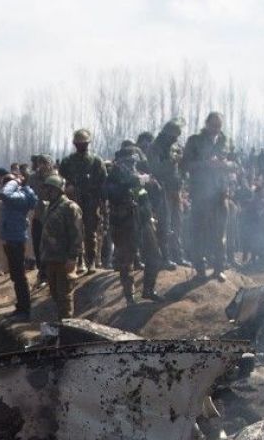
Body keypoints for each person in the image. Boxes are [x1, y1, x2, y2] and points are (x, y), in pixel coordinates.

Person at [105, 141, 162, 305]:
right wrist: (133, 181)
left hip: (142, 220)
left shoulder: (137, 176)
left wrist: (151, 184)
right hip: (124, 223)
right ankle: (129, 296)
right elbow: (111, 193)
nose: (131, 165)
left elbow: (147, 195)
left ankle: (148, 290)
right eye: (128, 161)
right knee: (126, 261)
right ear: (120, 161)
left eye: (133, 162)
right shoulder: (113, 176)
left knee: (154, 255)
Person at [181, 112, 232, 279]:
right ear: (206, 124)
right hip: (200, 193)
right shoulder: (194, 141)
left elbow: (236, 163)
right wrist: (205, 164)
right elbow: (185, 164)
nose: (216, 129)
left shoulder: (225, 141)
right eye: (213, 125)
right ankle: (200, 268)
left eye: (219, 126)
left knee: (220, 232)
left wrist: (225, 164)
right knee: (199, 231)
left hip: (220, 192)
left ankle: (219, 268)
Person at [57, 130, 106, 272]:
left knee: (90, 232)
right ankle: (79, 261)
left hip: (91, 201)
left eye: (84, 143)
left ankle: (91, 261)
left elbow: (103, 181)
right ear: (75, 144)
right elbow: (60, 180)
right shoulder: (67, 161)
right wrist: (67, 187)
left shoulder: (96, 161)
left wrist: (102, 202)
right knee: (74, 231)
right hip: (73, 201)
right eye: (79, 144)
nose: (81, 146)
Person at [36, 174, 83, 319]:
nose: (46, 192)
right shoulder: (50, 207)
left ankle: (67, 325)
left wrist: (72, 258)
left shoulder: (70, 207)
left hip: (64, 259)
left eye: (49, 189)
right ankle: (61, 322)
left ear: (56, 190)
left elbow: (77, 234)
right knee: (56, 294)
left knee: (65, 296)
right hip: (51, 258)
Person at [0, 169, 38, 318]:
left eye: (7, 184)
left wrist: (14, 181)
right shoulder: (18, 196)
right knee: (16, 275)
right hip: (12, 239)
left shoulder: (20, 196)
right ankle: (20, 307)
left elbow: (4, 194)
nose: (5, 186)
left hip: (16, 240)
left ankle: (24, 310)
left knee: (19, 276)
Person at [147, 119, 186, 265]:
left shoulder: (174, 146)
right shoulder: (155, 147)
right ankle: (165, 257)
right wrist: (172, 161)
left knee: (177, 223)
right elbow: (155, 168)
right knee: (164, 224)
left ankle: (178, 256)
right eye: (174, 136)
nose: (176, 139)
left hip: (176, 189)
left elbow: (181, 168)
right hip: (162, 190)